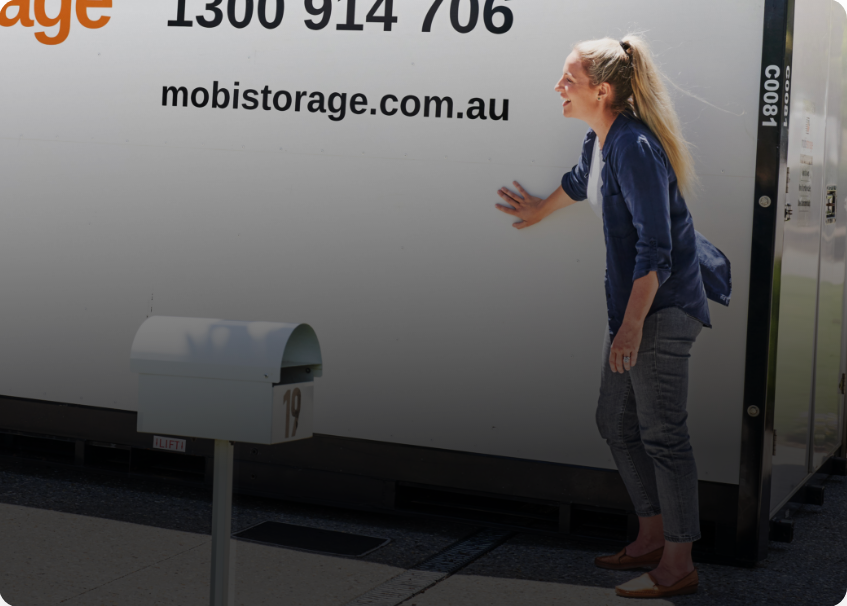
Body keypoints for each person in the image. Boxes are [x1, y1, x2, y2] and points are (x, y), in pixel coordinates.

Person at [495, 35, 731, 599]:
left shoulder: (633, 146)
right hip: (635, 308)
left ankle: (679, 563)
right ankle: (652, 533)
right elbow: (581, 184)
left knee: (663, 435)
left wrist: (629, 328)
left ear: (602, 90)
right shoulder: (599, 138)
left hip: (661, 308)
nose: (558, 87)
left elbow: (657, 248)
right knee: (615, 422)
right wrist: (538, 208)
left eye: (568, 80)